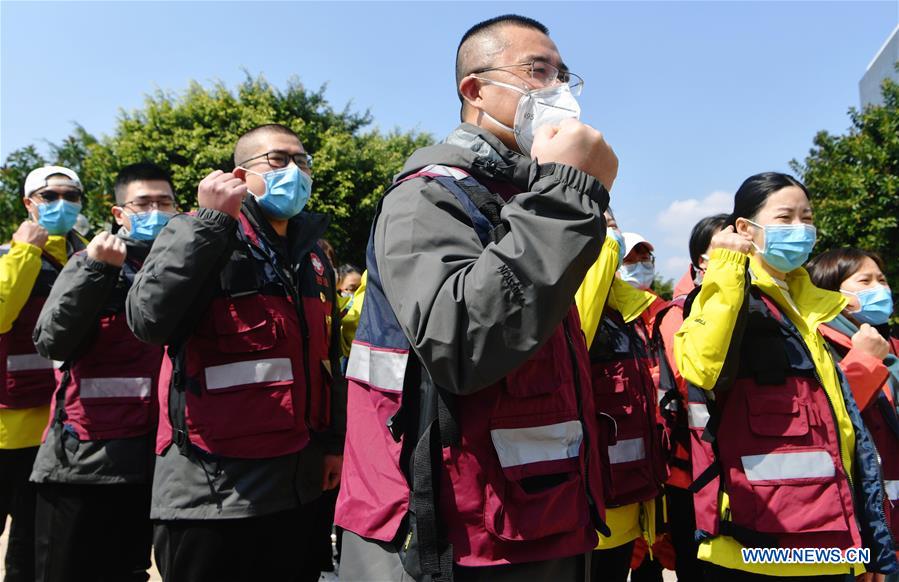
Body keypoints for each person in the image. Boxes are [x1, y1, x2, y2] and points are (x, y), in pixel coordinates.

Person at [335, 13, 618, 582]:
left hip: (537, 516)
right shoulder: (428, 196)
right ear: (475, 90)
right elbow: (461, 343)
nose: (557, 90)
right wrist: (568, 196)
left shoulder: (522, 196)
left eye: (564, 75)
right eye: (538, 72)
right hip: (450, 535)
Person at [126, 124, 345, 582]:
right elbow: (148, 321)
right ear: (240, 174)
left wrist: (331, 445)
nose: (296, 172)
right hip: (213, 497)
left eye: (302, 161)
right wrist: (210, 224)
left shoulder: (313, 258)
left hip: (298, 490)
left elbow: (326, 364)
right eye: (279, 160)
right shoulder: (195, 232)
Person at [674, 172, 897, 579]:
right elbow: (700, 367)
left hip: (828, 542)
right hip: (759, 545)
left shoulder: (812, 309)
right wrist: (726, 267)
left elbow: (844, 439)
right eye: (785, 218)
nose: (801, 229)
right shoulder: (730, 295)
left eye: (807, 218)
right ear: (745, 229)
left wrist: (864, 547)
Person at [29, 162, 175, 582]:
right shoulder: (88, 261)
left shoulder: (182, 266)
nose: (155, 211)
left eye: (164, 202)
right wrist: (97, 270)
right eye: (143, 203)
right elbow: (50, 341)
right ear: (119, 213)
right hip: (85, 462)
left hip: (156, 464)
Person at [0, 165, 87, 581]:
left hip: (59, 427)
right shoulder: (8, 256)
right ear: (28, 204)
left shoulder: (89, 254)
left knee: (33, 540)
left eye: (71, 196)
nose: (62, 204)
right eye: (50, 197)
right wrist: (24, 251)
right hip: (6, 423)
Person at [575, 214, 668, 582]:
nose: (612, 235)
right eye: (601, 223)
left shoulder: (626, 309)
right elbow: (577, 330)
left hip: (628, 506)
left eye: (614, 226)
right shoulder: (573, 299)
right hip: (589, 517)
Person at [806, 248, 899, 576]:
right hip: (859, 530)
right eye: (866, 281)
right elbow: (829, 423)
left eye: (882, 280)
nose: (881, 289)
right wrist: (865, 362)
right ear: (833, 296)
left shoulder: (892, 348)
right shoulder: (817, 348)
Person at [653, 213, 728, 582]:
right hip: (694, 477)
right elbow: (690, 379)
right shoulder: (678, 315)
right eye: (724, 244)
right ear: (701, 259)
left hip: (741, 473)